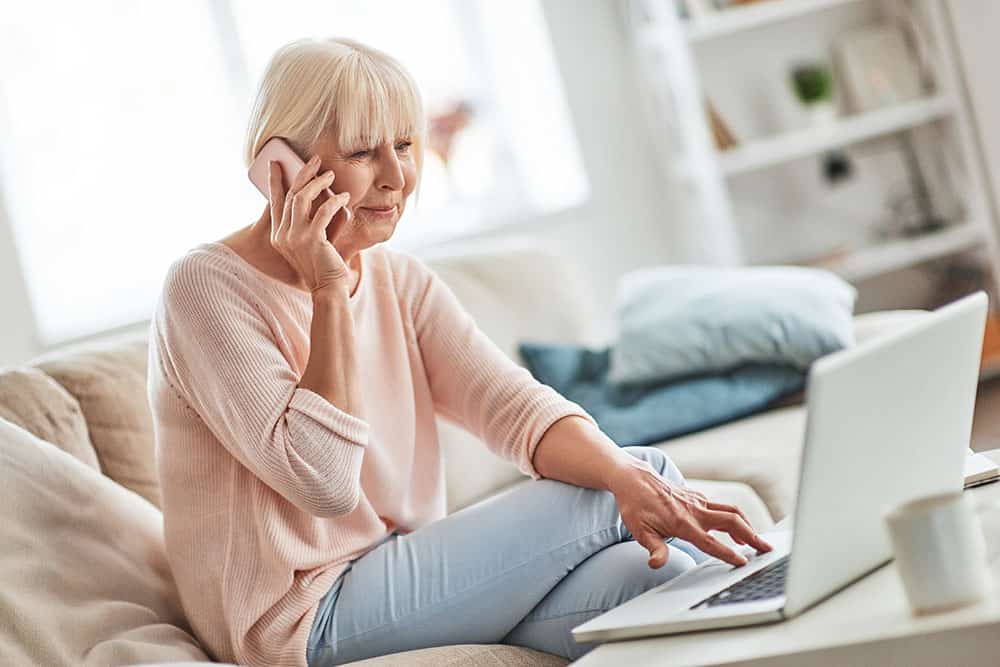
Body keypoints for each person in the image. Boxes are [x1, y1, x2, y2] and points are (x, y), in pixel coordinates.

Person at [147, 36, 771, 667]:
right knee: (638, 476)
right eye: (364, 151)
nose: (396, 178)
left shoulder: (401, 279)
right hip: (299, 618)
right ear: (281, 167)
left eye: (405, 145)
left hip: (405, 581)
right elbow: (325, 484)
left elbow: (513, 407)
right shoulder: (205, 289)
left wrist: (623, 475)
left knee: (656, 579)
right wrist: (327, 287)